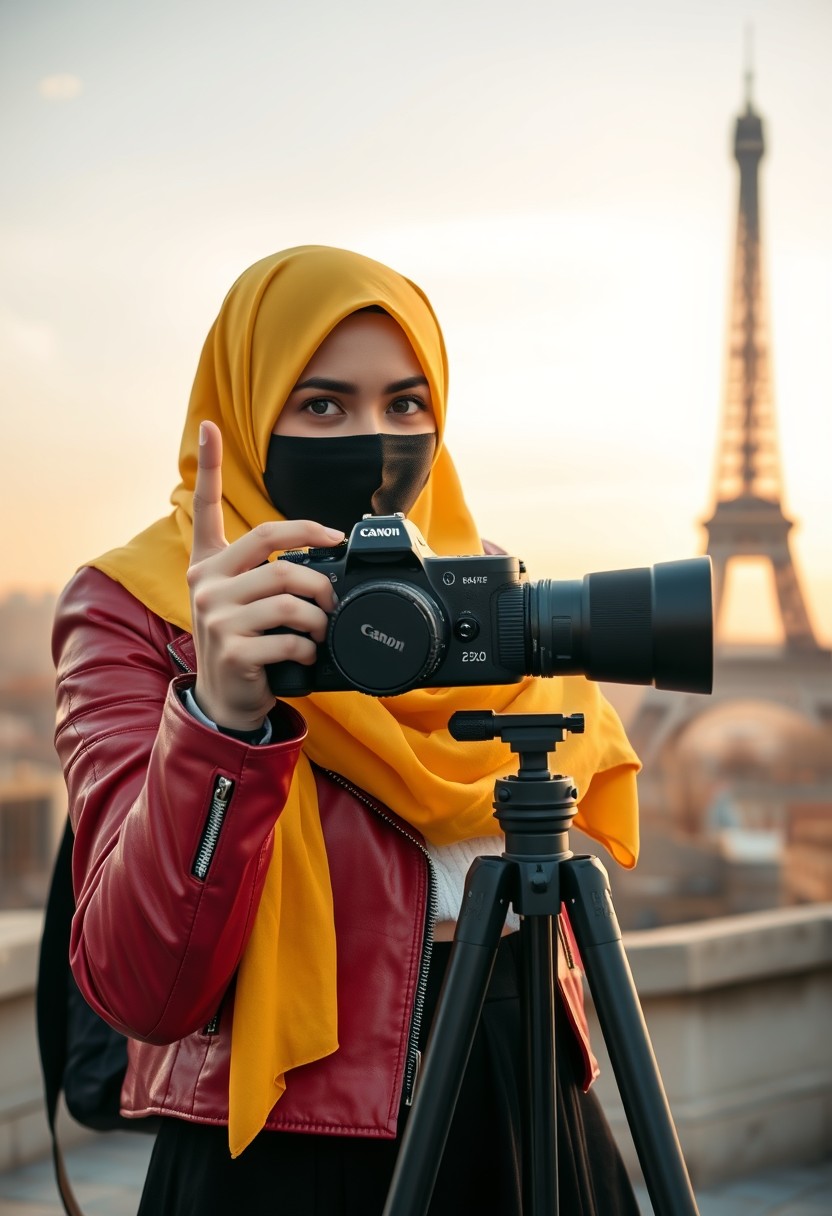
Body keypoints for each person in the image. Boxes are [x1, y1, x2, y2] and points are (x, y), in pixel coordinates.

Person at [53, 245, 643, 1215]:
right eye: (323, 405)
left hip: (528, 1123)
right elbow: (139, 987)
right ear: (244, 410)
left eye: (407, 404)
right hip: (289, 1158)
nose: (374, 438)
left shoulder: (482, 588)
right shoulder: (142, 610)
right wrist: (220, 717)